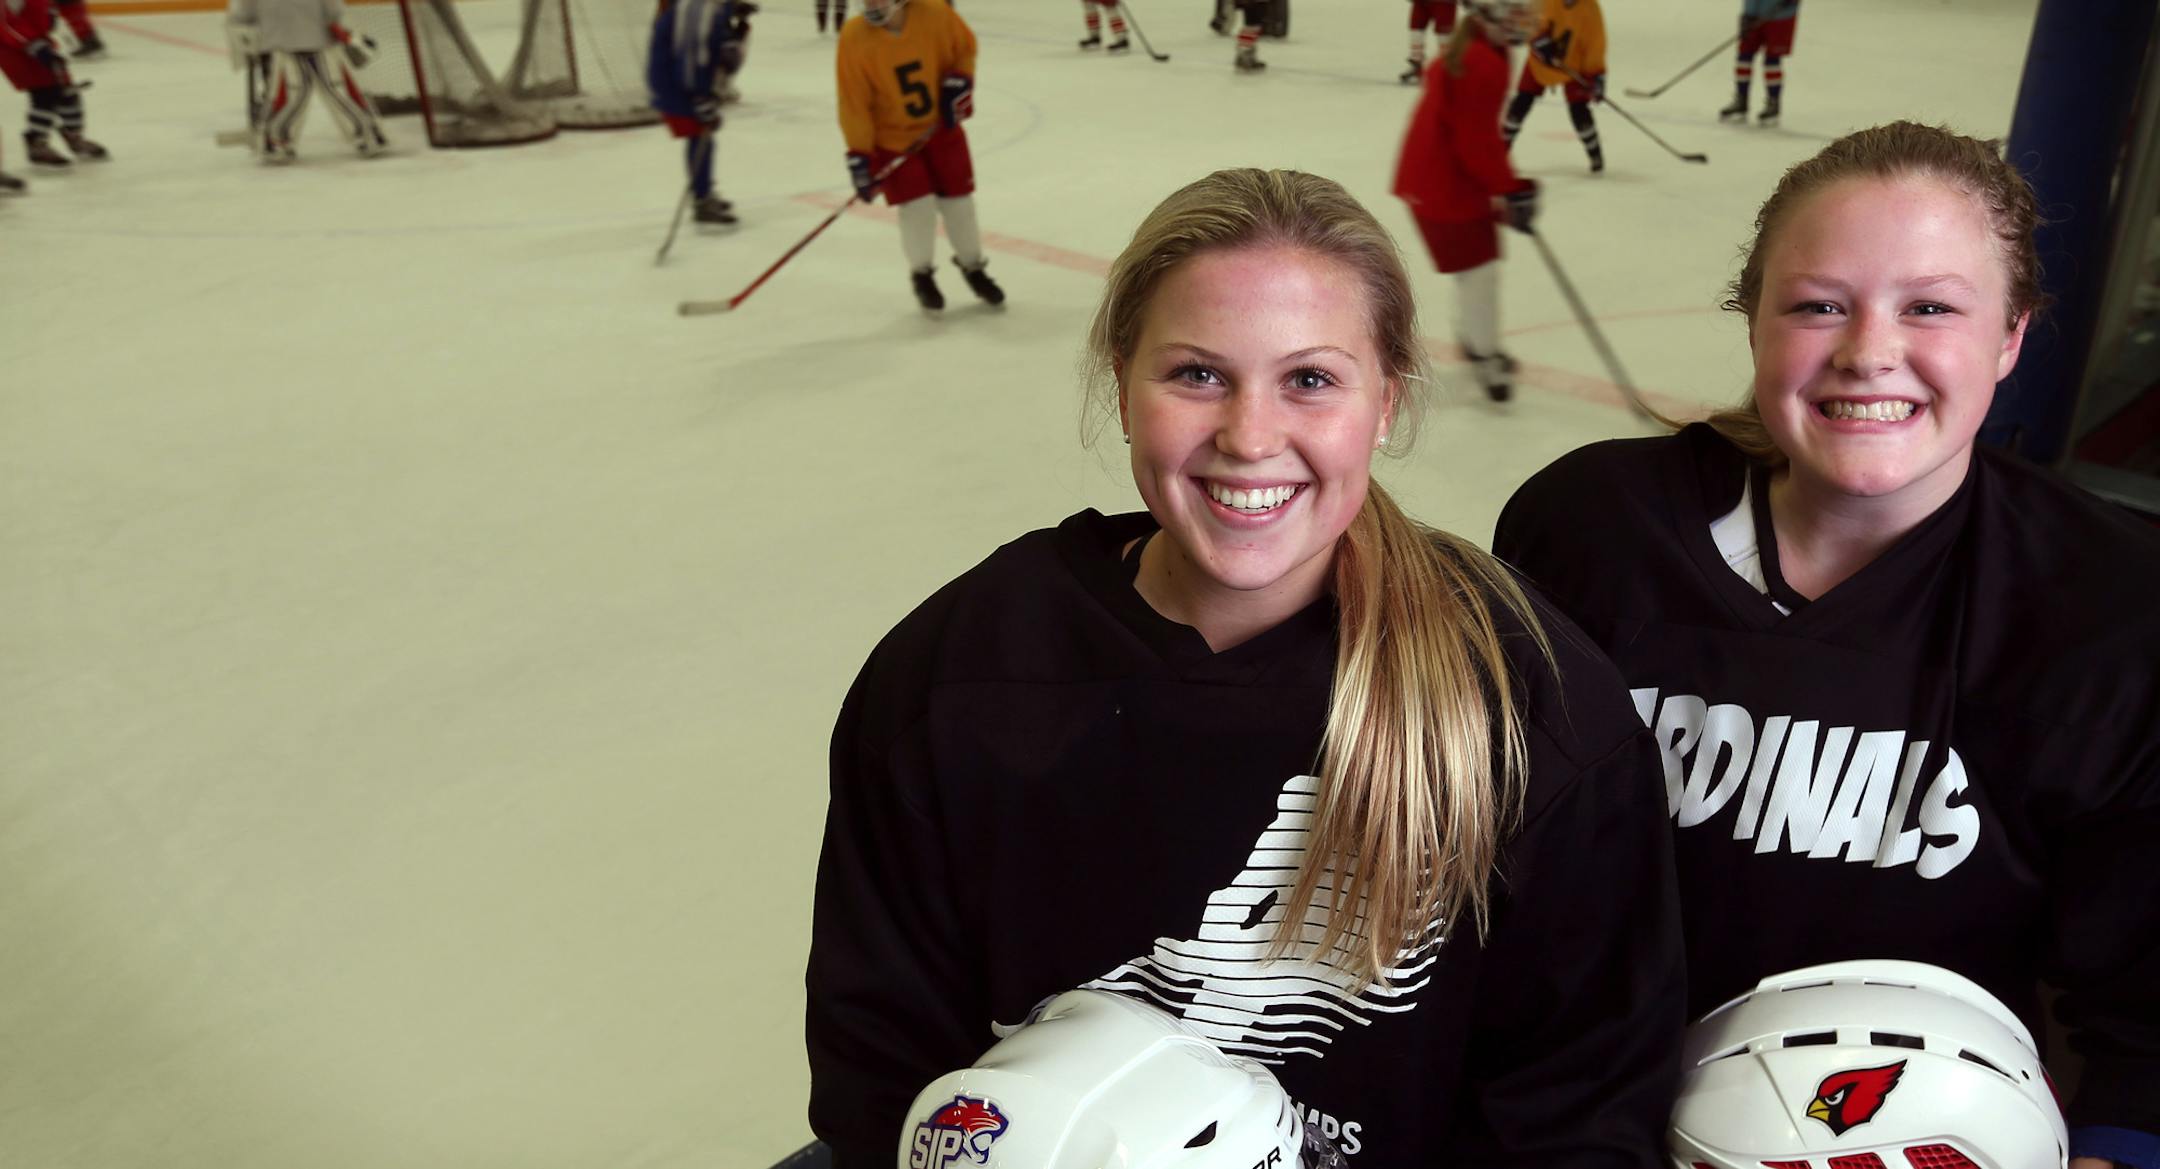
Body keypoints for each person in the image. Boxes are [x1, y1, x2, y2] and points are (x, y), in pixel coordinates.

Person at [806, 167, 1684, 1169]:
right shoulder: (960, 672)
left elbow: (1582, 1105)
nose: (1250, 437)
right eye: (1196, 374)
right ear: (1121, 380)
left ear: (1384, 401)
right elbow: (885, 1077)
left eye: (1309, 379)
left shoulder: (1527, 698)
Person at [1492, 121, 2160, 1169]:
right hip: (1567, 1118)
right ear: (1754, 321)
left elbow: (2146, 1015)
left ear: (2012, 336)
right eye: (1817, 305)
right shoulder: (1590, 528)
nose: (1867, 352)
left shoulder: (2108, 607)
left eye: (1931, 307)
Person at [1393, 0, 1539, 403]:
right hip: (1444, 187)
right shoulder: (1481, 62)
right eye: (1515, 13)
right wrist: (1511, 188)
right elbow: (1474, 140)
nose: (1524, 22)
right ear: (1489, 15)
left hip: (1441, 180)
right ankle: (1485, 353)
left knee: (1474, 271)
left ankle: (1477, 340)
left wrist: (1510, 187)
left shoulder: (1487, 50)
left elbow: (1477, 138)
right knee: (1480, 274)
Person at [835, 0, 1005, 312]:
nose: (871, 5)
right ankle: (922, 273)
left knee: (960, 204)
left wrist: (961, 80)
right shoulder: (854, 36)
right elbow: (853, 101)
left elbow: (964, 50)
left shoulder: (935, 13)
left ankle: (974, 267)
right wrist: (860, 154)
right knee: (917, 210)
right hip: (893, 140)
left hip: (941, 132)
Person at [226, 0, 388, 162]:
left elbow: (242, 15)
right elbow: (335, 10)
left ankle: (275, 141)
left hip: (281, 42)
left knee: (292, 94)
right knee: (337, 89)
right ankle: (370, 134)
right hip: (319, 40)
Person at [647, 0, 740, 226]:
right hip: (678, 86)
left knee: (704, 138)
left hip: (685, 83)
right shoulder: (697, 9)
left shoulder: (711, 8)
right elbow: (689, 58)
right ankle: (702, 200)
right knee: (700, 138)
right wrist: (699, 96)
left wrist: (734, 32)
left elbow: (712, 45)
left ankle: (704, 193)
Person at [1501, 0, 1605, 174]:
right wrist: (1537, 39)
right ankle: (1501, 150)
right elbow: (1528, 21)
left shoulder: (1590, 9)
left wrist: (1595, 76)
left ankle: (1595, 154)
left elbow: (1595, 45)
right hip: (1539, 63)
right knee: (1522, 102)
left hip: (1574, 65)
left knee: (1579, 109)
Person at [1, 0, 107, 167]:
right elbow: (5, 23)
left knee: (67, 91)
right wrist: (32, 44)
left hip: (40, 41)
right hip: (13, 49)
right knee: (45, 92)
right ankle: (36, 142)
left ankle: (74, 136)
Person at [1722, 0, 1799, 126]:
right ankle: (1741, 99)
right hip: (1752, 14)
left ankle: (1773, 102)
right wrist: (1748, 13)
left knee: (1772, 59)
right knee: (1744, 56)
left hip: (1781, 15)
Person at [1400, 0, 1456, 84]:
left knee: (1444, 34)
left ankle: (1447, 68)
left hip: (1444, 3)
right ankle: (1416, 64)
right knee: (1416, 30)